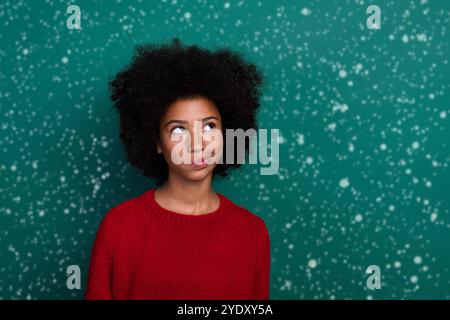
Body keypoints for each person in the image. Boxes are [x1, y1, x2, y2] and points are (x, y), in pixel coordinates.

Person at [85, 38, 270, 300]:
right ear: (156, 142)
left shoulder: (252, 233)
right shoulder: (119, 227)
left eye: (209, 126)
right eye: (179, 129)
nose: (197, 143)